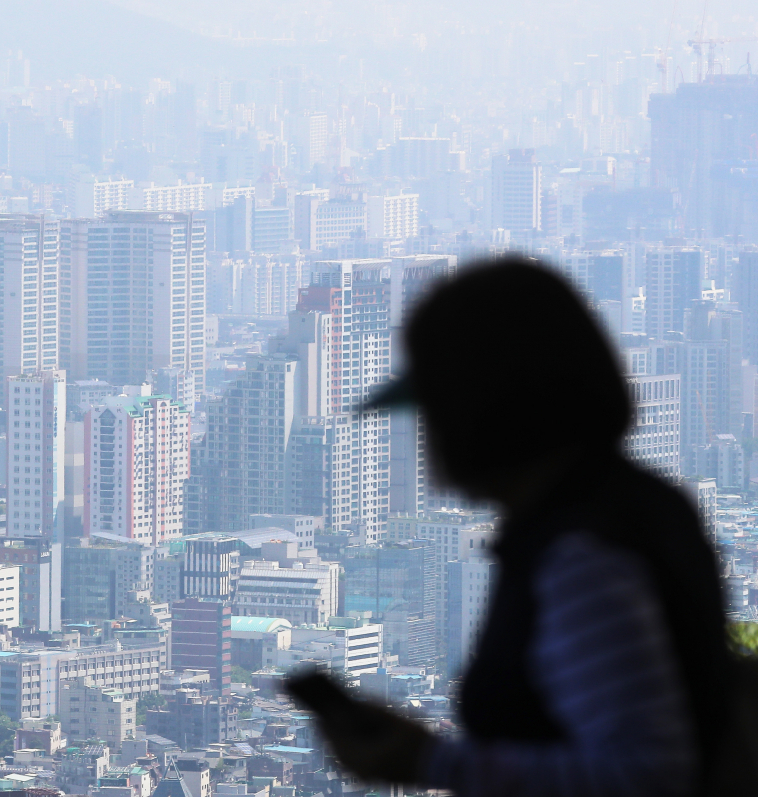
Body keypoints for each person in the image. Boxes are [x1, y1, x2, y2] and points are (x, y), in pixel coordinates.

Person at [284, 256, 730, 797]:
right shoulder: (633, 503)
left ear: (479, 409)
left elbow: (647, 776)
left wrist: (433, 764)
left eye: (434, 408)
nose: (425, 435)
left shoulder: (580, 556)